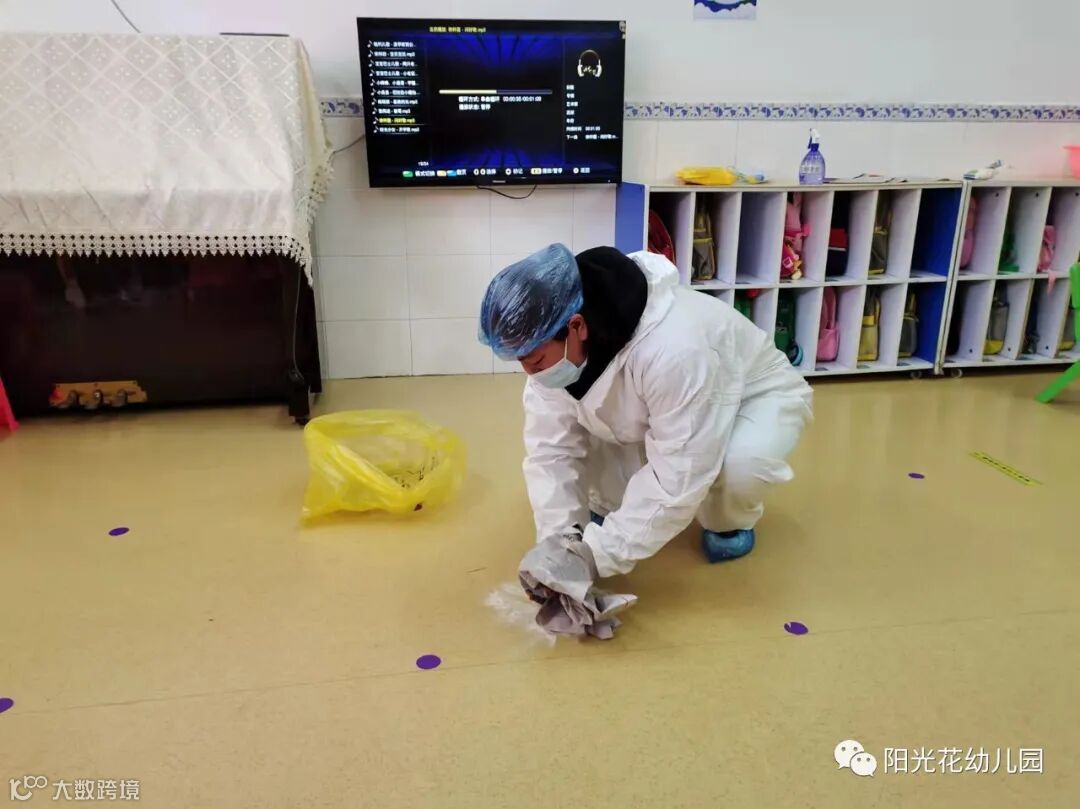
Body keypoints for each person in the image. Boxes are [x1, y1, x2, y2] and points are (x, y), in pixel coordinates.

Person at [478, 243, 813, 582]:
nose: (530, 373)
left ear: (577, 326)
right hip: (674, 396)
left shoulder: (674, 350)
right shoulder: (553, 340)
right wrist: (559, 545)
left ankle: (730, 524)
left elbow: (679, 472)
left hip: (751, 394)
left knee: (737, 469)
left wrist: (598, 557)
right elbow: (552, 452)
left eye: (535, 360)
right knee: (605, 481)